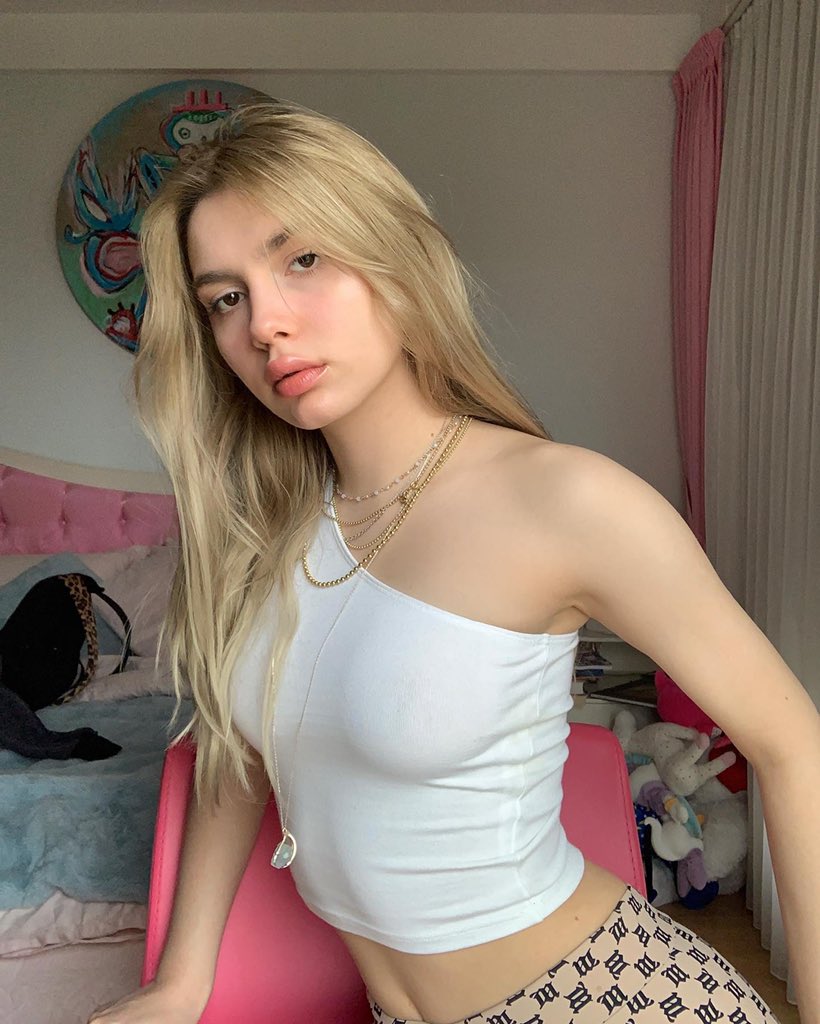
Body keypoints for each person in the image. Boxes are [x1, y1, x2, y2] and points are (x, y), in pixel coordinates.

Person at [88, 99, 819, 1024]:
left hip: (597, 998)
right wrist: (180, 983)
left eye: (302, 259)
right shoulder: (262, 528)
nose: (265, 323)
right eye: (225, 299)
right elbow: (238, 755)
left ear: (392, 257)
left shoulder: (564, 500)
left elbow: (792, 742)